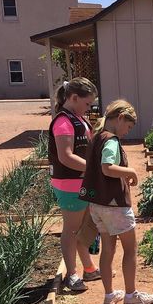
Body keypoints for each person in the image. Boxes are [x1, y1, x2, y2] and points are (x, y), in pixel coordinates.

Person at [79, 100, 153, 304]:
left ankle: (109, 295)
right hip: (114, 204)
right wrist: (131, 172)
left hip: (96, 204)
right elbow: (107, 167)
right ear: (121, 118)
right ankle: (131, 295)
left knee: (108, 249)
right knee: (130, 249)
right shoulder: (111, 141)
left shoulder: (96, 137)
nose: (127, 131)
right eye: (128, 126)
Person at [48, 77, 101, 292]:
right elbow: (66, 156)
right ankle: (72, 274)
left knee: (82, 228)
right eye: (87, 104)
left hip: (81, 182)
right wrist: (94, 169)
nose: (89, 108)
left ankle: (89, 268)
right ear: (74, 98)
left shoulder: (78, 118)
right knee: (71, 230)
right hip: (70, 184)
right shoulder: (63, 122)